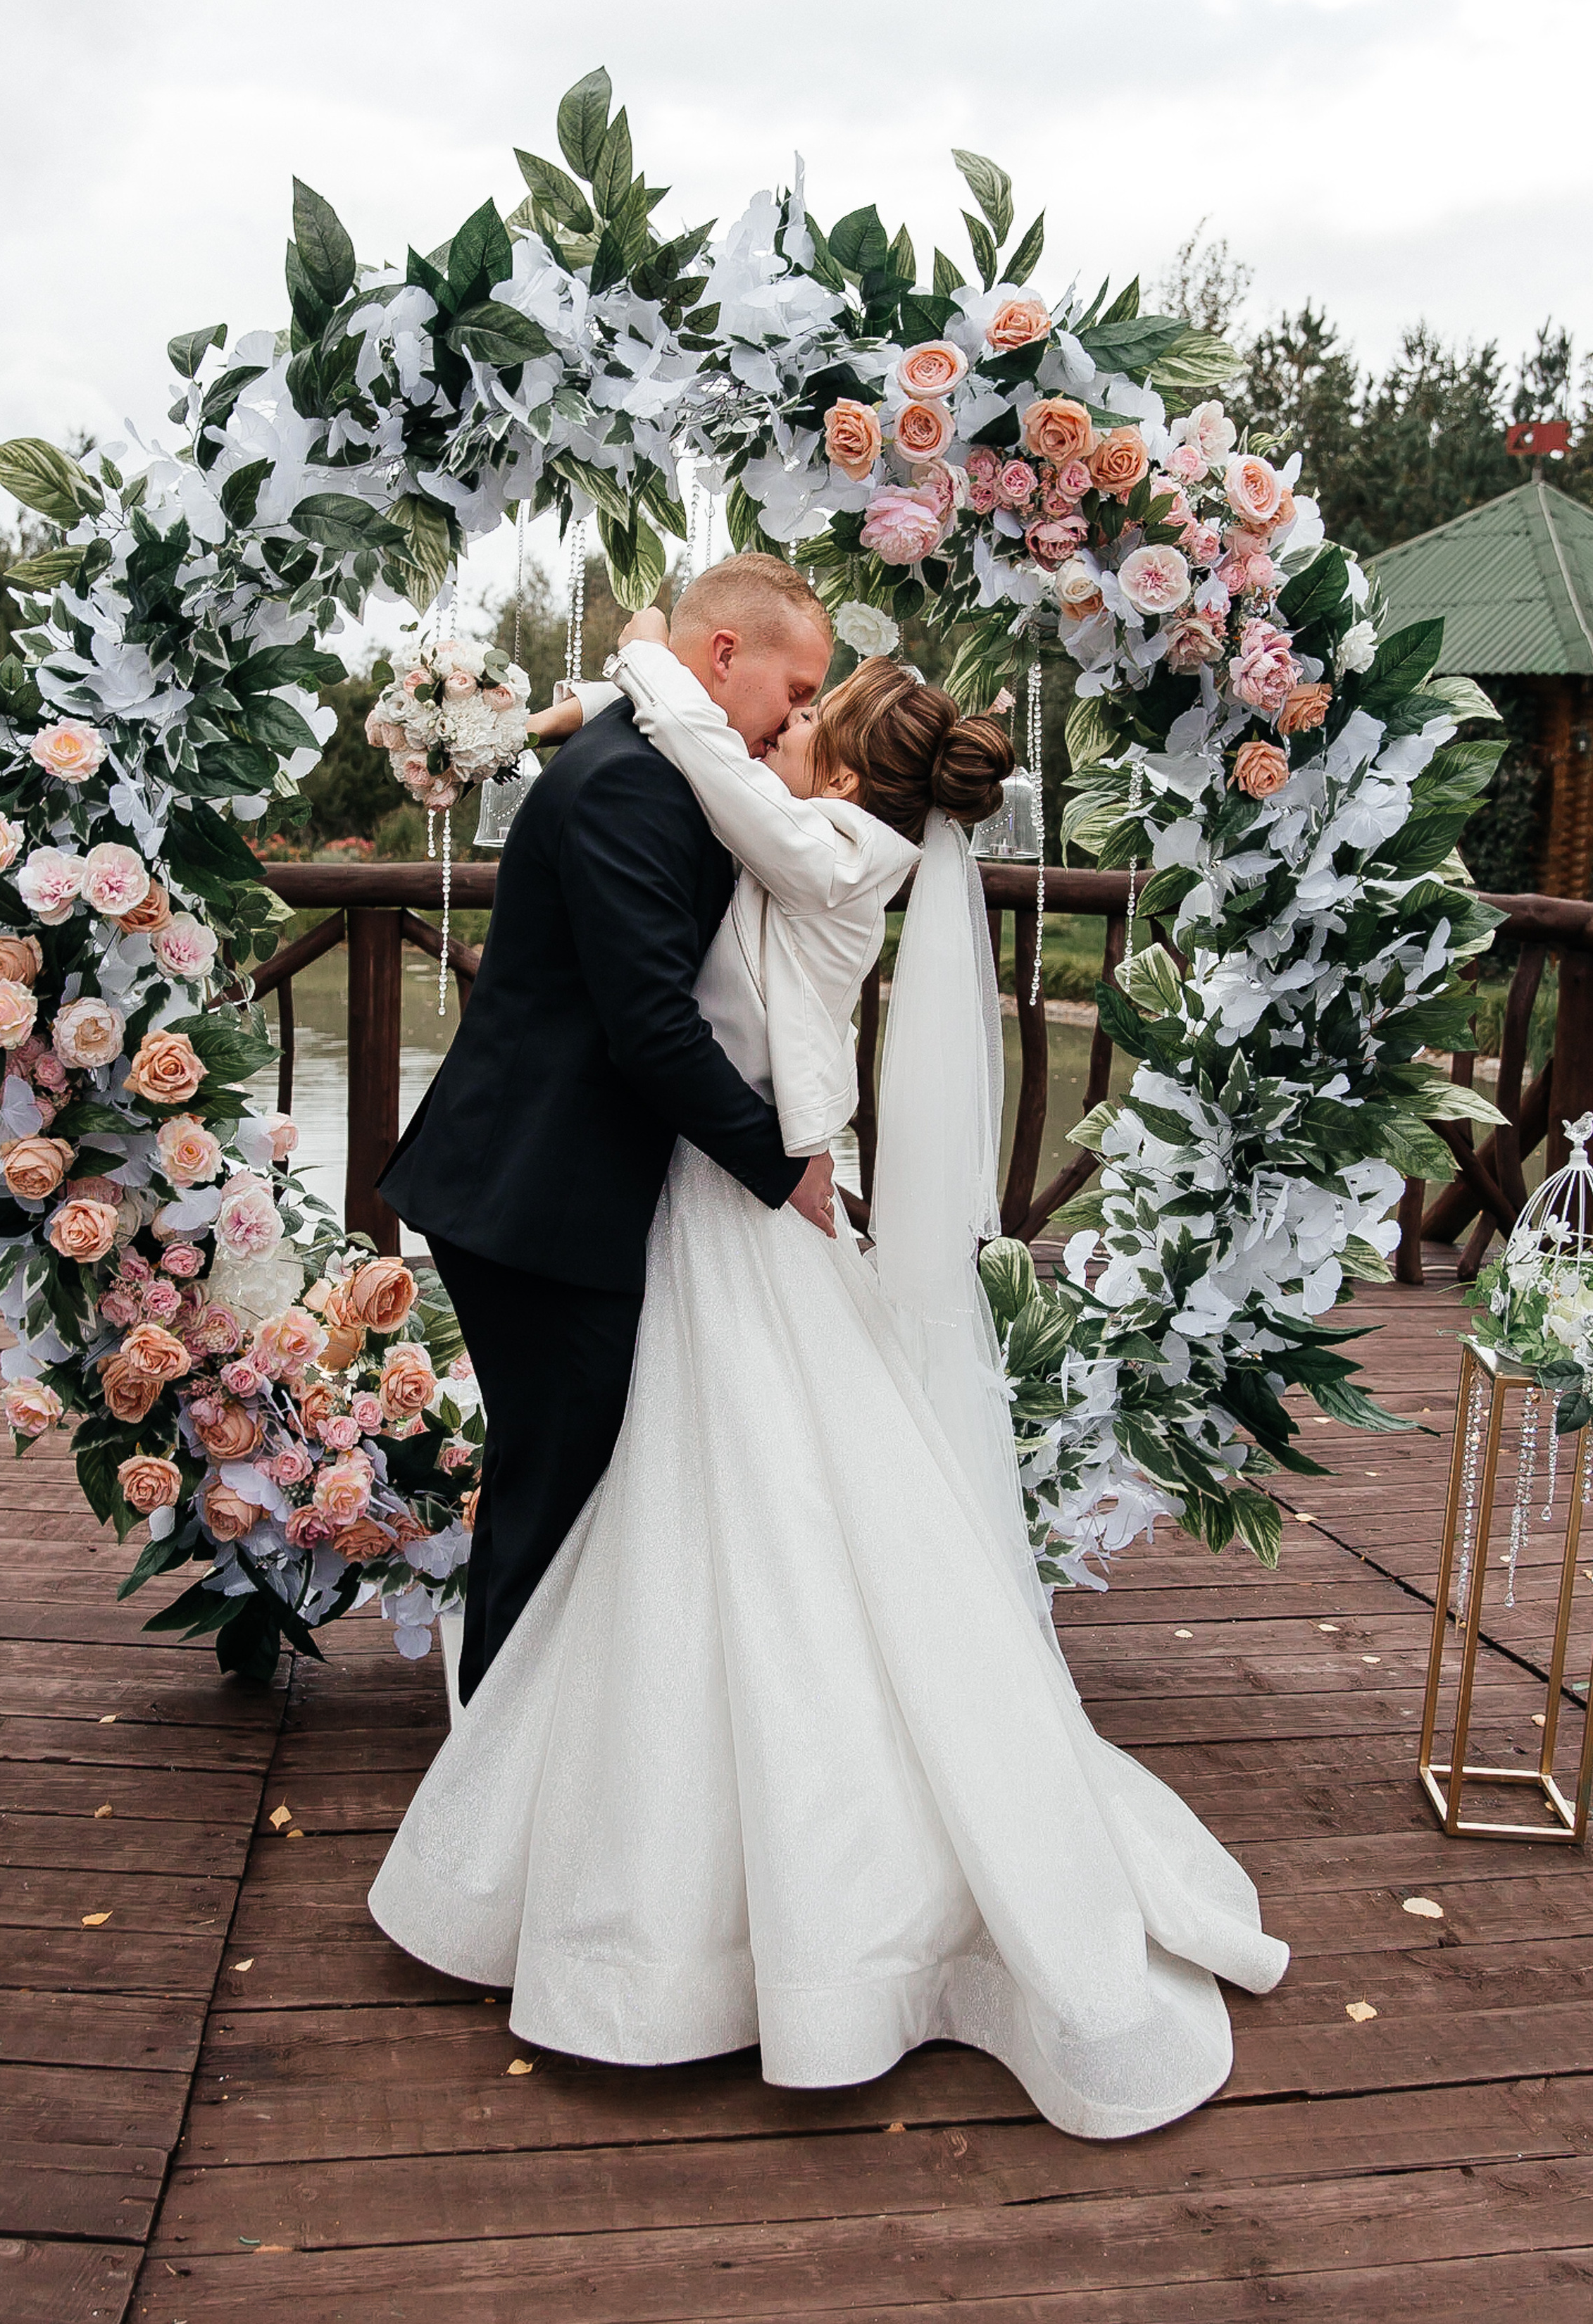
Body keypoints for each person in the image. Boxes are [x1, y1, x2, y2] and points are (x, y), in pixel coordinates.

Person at [369, 616, 1289, 2141]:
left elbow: (714, 851)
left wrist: (650, 673)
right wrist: (654, 699)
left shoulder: (828, 844)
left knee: (734, 1519)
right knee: (681, 1511)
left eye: (806, 711)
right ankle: (562, 1825)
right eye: (785, 695)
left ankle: (670, 1882)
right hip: (707, 1208)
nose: (778, 726)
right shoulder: (812, 830)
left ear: (847, 763)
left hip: (740, 1207)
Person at [380, 554, 837, 1704]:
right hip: (537, 1199)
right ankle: (491, 1794)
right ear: (725, 656)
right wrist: (784, 1170)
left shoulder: (653, 754)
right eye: (799, 687)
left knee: (563, 1486)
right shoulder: (631, 783)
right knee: (552, 1500)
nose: (804, 715)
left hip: (549, 1190)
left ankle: (531, 1769)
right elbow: (649, 1029)